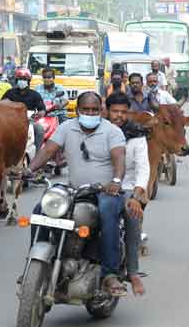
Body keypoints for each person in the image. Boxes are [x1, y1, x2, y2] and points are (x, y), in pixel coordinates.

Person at [28, 91, 129, 297]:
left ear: (101, 111)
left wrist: (116, 181)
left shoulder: (112, 131)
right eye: (86, 110)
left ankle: (110, 274)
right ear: (77, 110)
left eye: (94, 110)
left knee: (108, 212)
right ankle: (35, 266)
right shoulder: (66, 128)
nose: (90, 113)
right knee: (41, 209)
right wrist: (29, 170)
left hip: (104, 191)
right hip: (74, 189)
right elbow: (48, 151)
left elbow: (119, 158)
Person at [105, 92, 149, 296]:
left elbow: (143, 168)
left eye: (124, 112)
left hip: (127, 188)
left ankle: (132, 271)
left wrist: (136, 195)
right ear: (107, 111)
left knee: (132, 217)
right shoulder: (97, 131)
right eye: (115, 111)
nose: (119, 115)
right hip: (98, 187)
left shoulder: (137, 136)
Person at [3, 68, 47, 155]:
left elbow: (42, 110)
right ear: (16, 80)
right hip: (10, 121)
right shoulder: (10, 93)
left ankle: (37, 155)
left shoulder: (35, 94)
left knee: (39, 129)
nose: (22, 81)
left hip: (29, 121)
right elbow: (1, 105)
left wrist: (38, 115)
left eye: (24, 79)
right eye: (20, 79)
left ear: (28, 81)